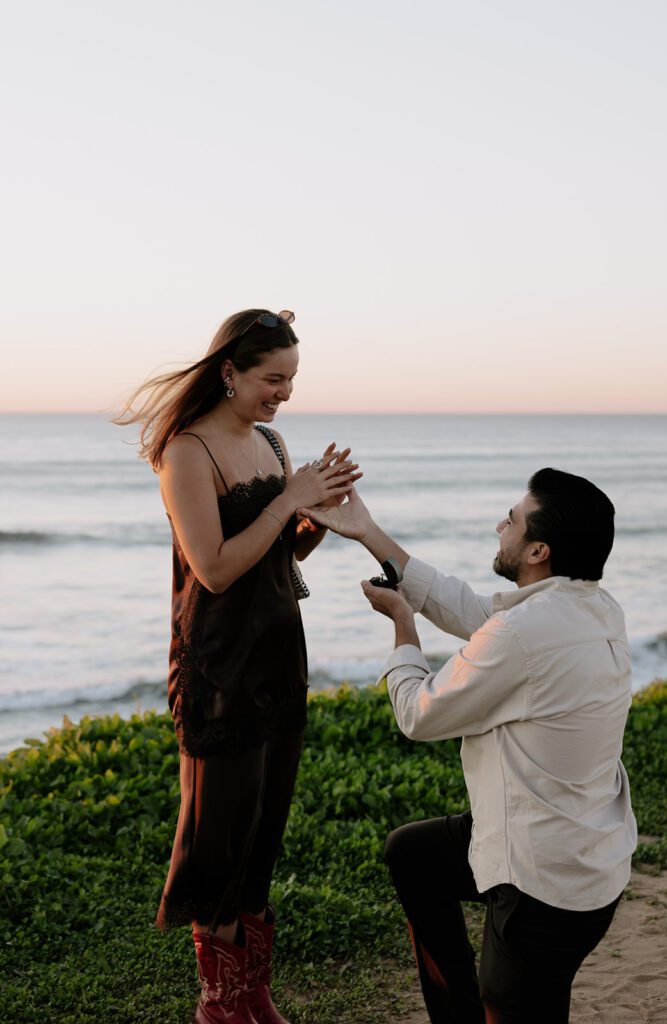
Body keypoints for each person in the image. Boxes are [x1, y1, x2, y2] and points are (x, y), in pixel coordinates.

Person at [297, 468, 637, 1024]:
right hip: (588, 852)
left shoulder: (523, 634)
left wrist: (403, 625)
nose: (499, 525)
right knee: (414, 854)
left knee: (518, 1010)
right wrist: (367, 531)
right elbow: (477, 614)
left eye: (513, 520)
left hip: (544, 881)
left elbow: (418, 713)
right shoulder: (593, 607)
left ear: (538, 550)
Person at [117, 309, 360, 1024]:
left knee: (262, 831)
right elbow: (217, 570)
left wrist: (319, 514)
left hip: (280, 659)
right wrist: (289, 498)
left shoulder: (274, 446)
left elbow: (277, 558)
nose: (283, 394)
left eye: (290, 380)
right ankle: (218, 1003)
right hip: (217, 667)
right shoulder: (187, 451)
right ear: (229, 371)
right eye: (272, 379)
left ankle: (251, 990)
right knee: (218, 835)